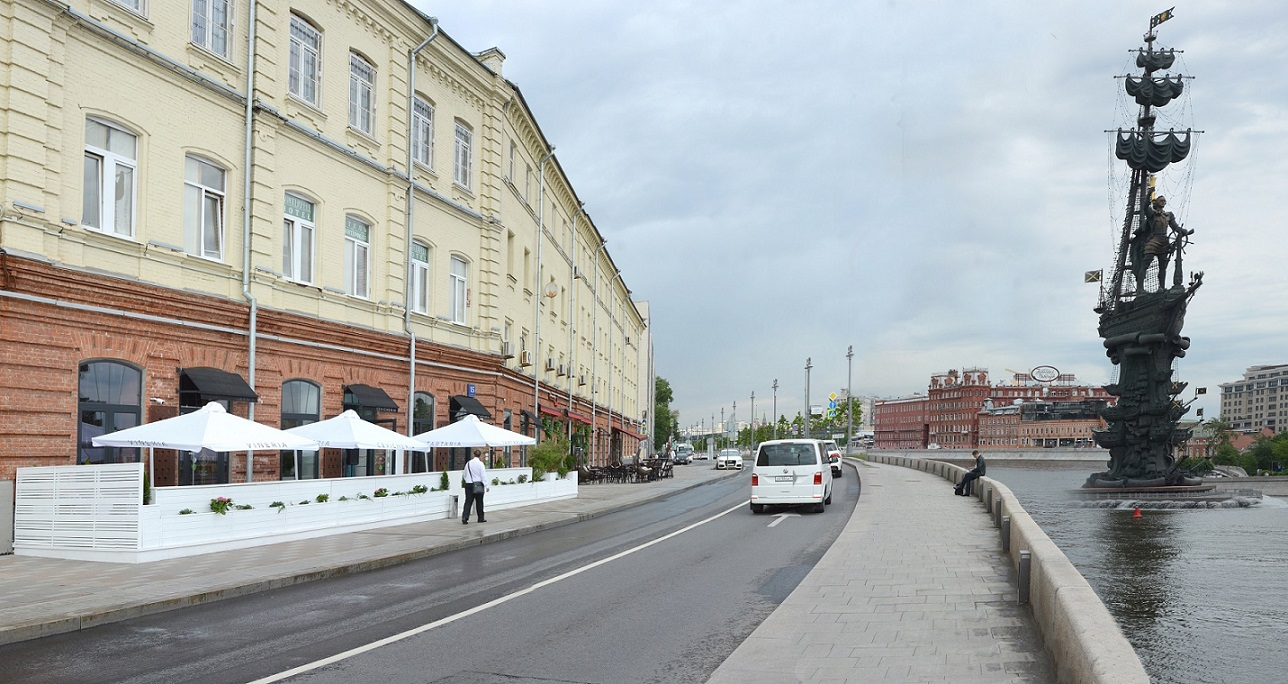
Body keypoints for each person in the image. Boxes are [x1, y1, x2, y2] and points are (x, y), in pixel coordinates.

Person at [462, 449, 489, 524]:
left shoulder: (468, 463)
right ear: (480, 455)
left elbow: (464, 474)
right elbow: (483, 476)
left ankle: (465, 517)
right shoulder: (480, 464)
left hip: (469, 484)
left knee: (468, 501)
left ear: (473, 455)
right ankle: (480, 518)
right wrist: (486, 485)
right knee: (479, 502)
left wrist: (468, 480)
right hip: (478, 484)